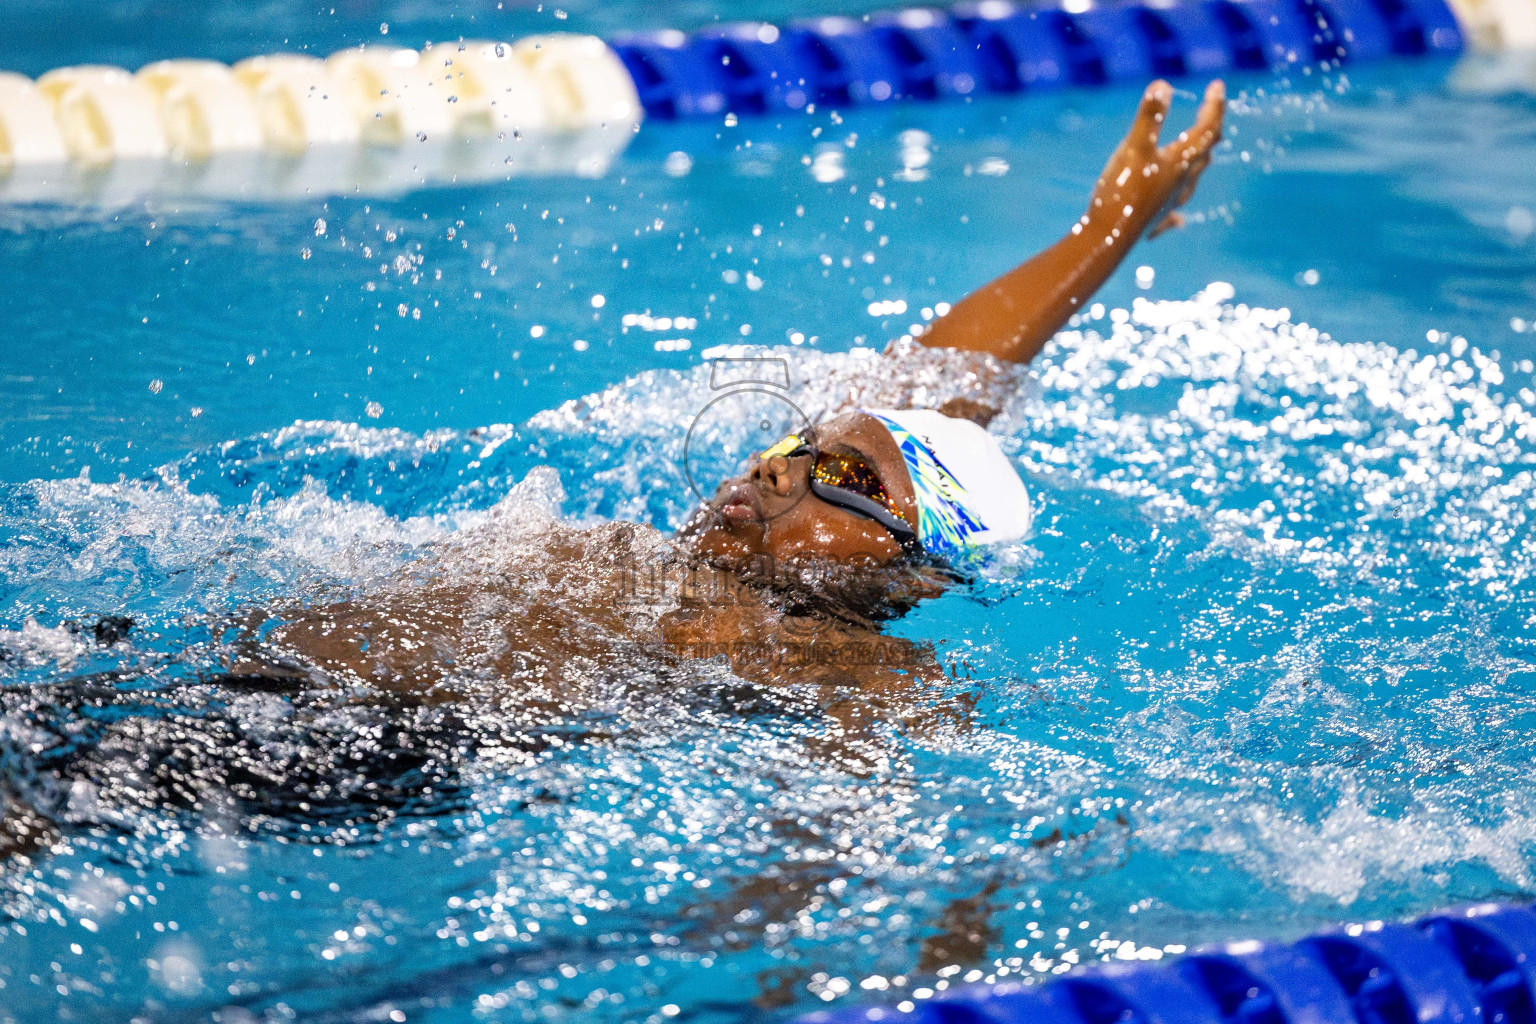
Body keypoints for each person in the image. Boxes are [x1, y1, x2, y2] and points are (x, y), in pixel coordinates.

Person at [1, 79, 1224, 860]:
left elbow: (875, 811)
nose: (782, 468)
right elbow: (935, 387)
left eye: (836, 475)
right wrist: (1104, 231)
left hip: (334, 743)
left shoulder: (841, 656)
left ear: (913, 571)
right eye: (790, 442)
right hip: (171, 664)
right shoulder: (733, 549)